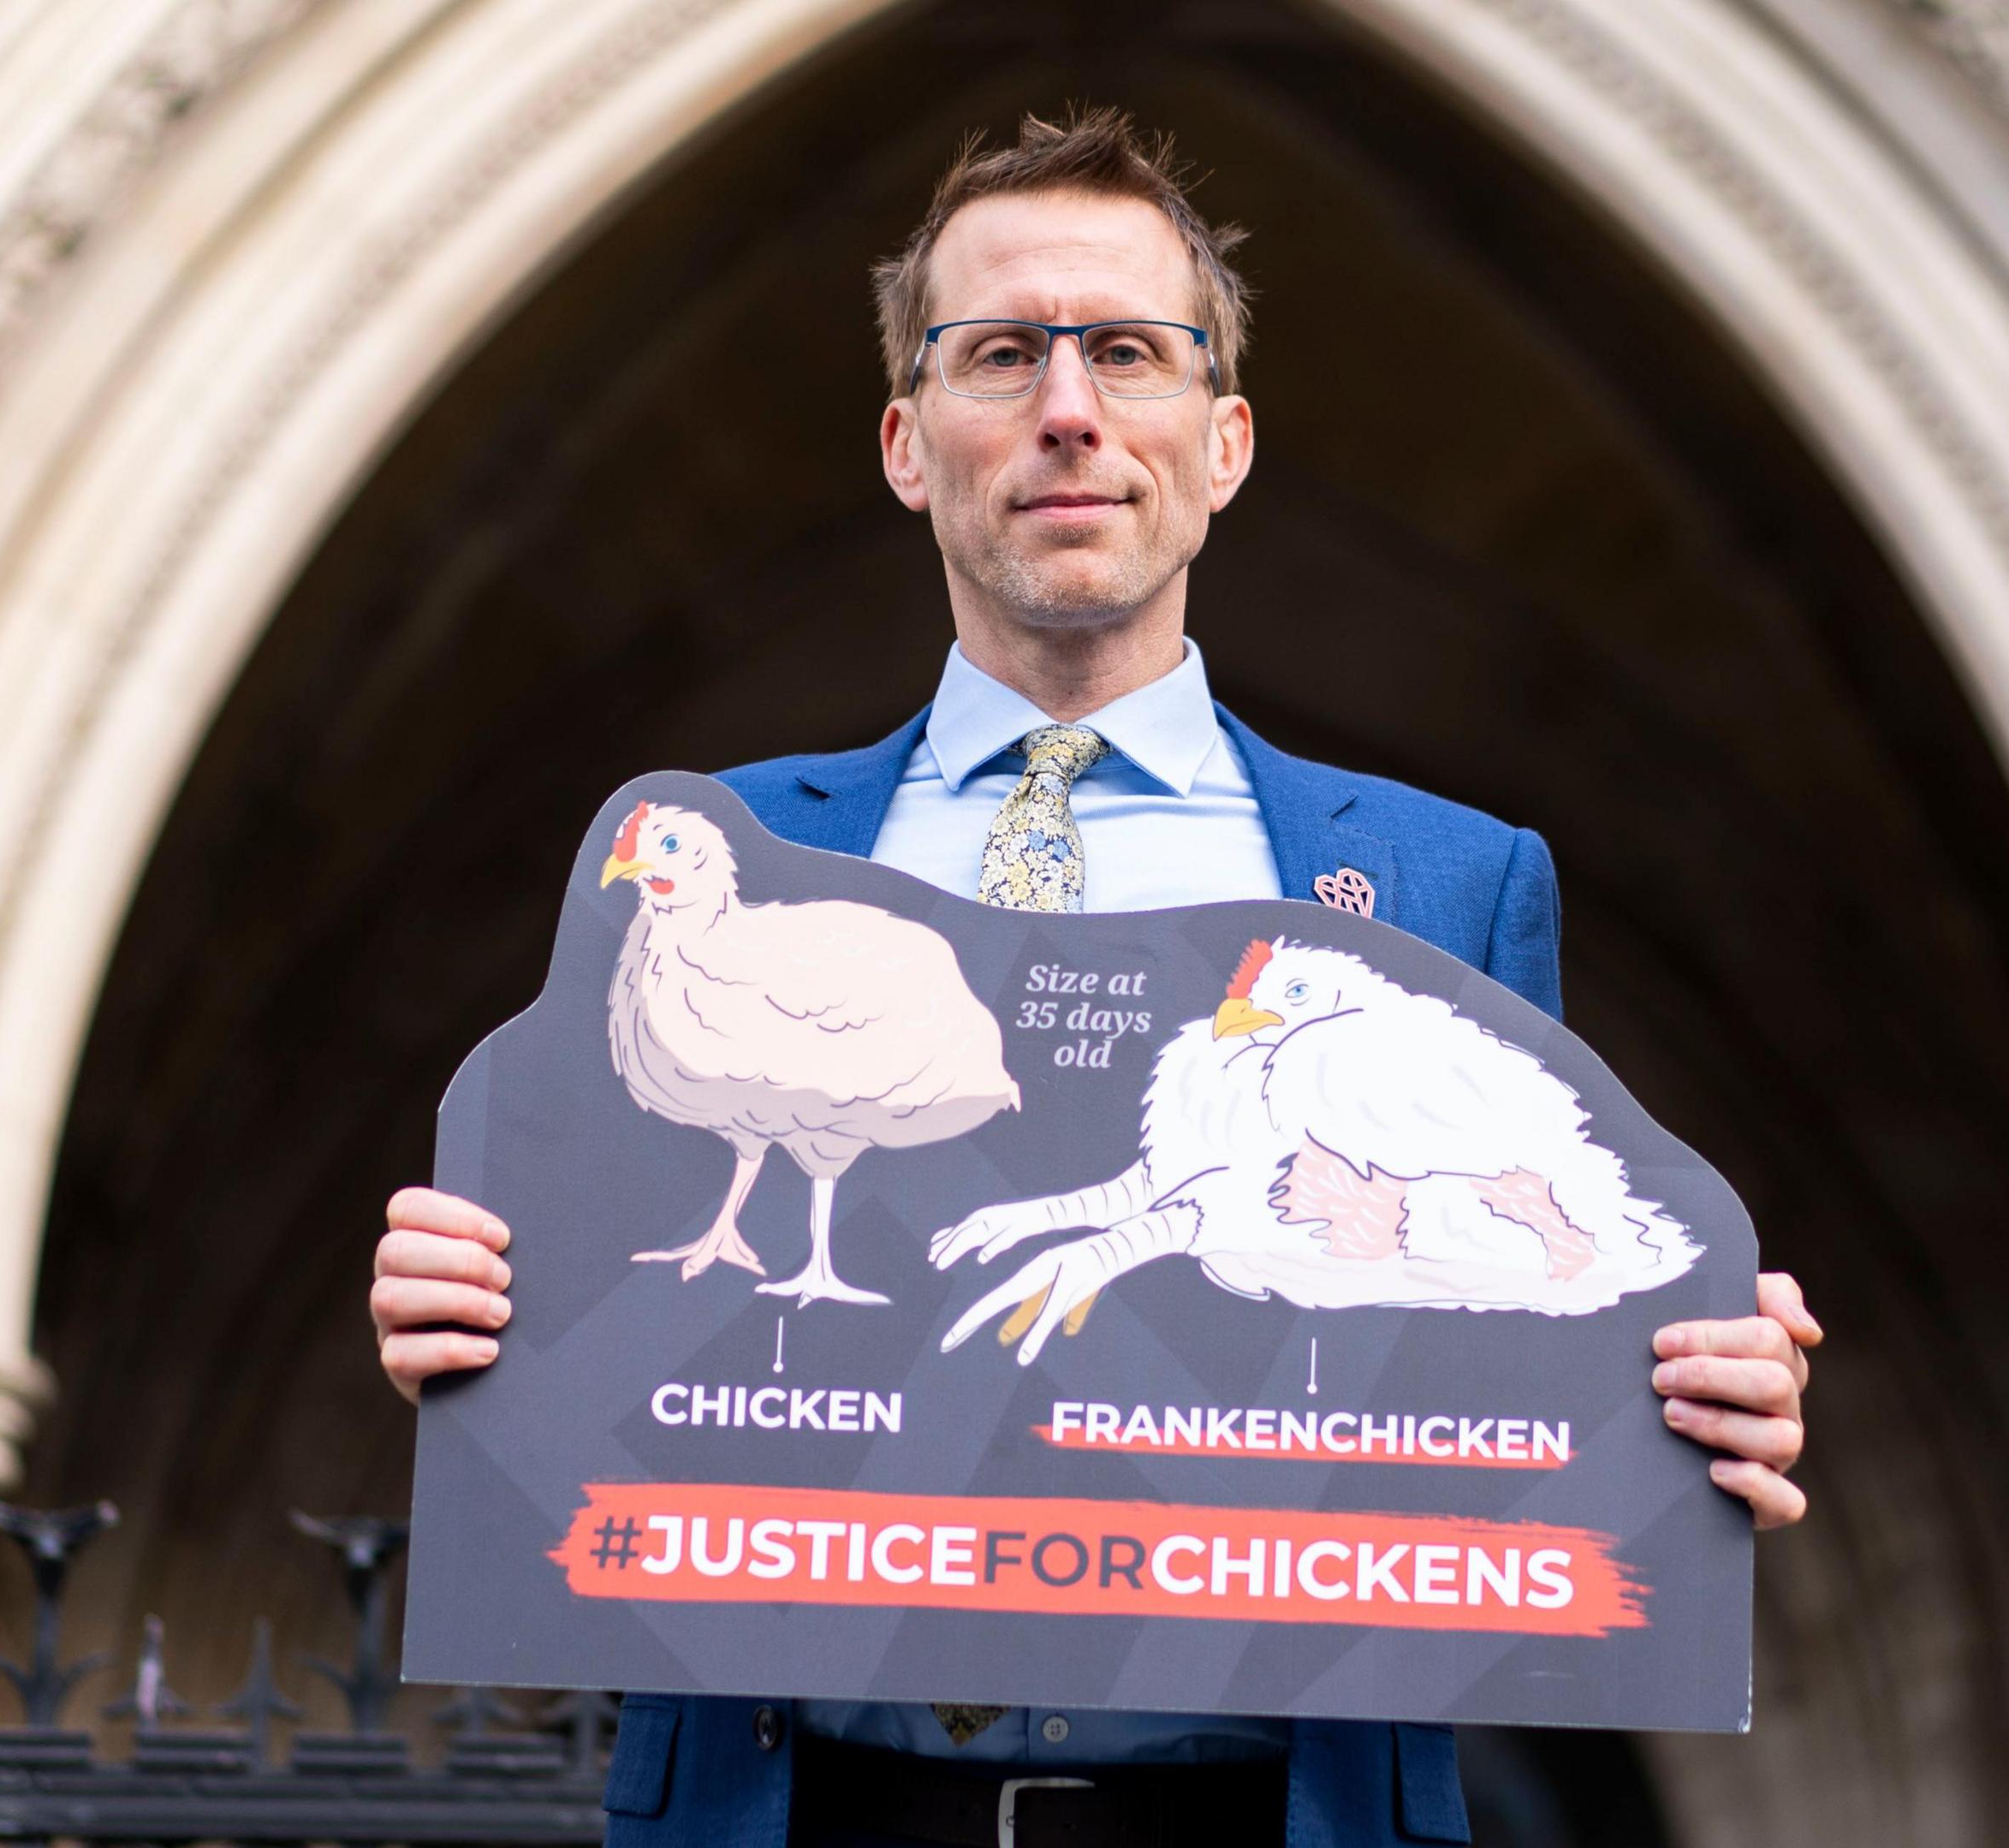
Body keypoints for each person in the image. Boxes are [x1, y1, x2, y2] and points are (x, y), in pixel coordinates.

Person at [370, 105, 1822, 1848]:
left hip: (1259, 1815)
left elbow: (1504, 1321)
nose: (1069, 409)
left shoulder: (1449, 888)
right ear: (910, 444)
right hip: (807, 1801)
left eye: (1130, 352)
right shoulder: (718, 856)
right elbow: (633, 1300)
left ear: (1224, 441)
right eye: (1000, 355)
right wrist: (482, 1319)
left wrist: (1691, 1390)